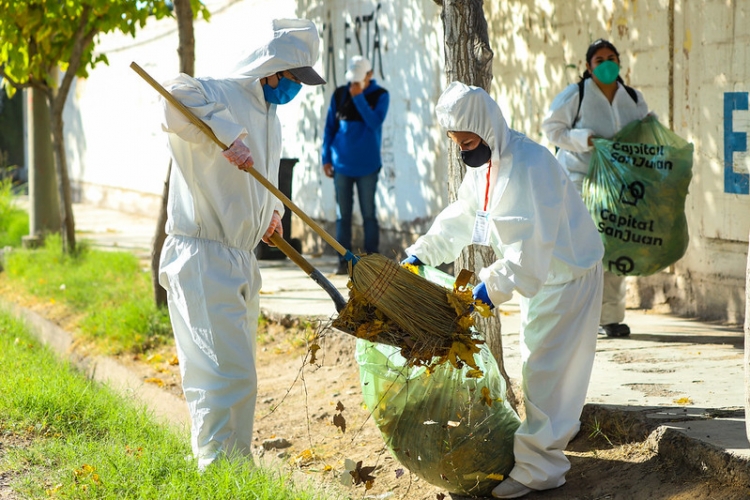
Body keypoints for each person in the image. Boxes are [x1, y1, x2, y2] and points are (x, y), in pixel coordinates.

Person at [401, 81, 604, 499]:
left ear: (486, 127)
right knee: (537, 366)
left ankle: (540, 470)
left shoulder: (531, 165)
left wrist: (487, 289)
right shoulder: (487, 167)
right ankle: (541, 450)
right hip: (542, 280)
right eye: (457, 142)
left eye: (469, 139)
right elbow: (463, 215)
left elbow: (533, 247)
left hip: (566, 275)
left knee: (548, 371)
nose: (464, 149)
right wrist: (422, 253)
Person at [157, 18, 325, 470]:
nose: (296, 90)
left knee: (235, 374)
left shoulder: (272, 119)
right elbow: (172, 94)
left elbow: (264, 179)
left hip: (241, 257)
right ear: (270, 69)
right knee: (222, 373)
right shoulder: (218, 92)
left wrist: (272, 215)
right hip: (203, 252)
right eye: (293, 79)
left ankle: (230, 465)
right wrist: (227, 133)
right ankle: (219, 469)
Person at [541, 38, 650, 338]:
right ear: (588, 67)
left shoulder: (632, 97)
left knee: (614, 247)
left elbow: (646, 129)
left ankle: (610, 318)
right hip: (579, 180)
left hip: (618, 183)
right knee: (583, 248)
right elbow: (552, 129)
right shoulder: (574, 95)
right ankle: (575, 315)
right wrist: (586, 140)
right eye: (599, 59)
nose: (606, 64)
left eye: (611, 58)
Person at [322, 55, 389, 275]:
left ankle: (372, 261)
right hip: (341, 165)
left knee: (369, 213)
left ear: (370, 75)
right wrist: (326, 158)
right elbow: (330, 127)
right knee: (344, 216)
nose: (354, 84)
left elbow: (375, 123)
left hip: (368, 166)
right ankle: (344, 262)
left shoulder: (381, 95)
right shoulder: (340, 94)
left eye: (359, 79)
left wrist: (359, 98)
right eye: (352, 79)